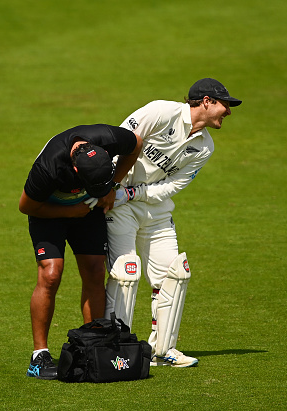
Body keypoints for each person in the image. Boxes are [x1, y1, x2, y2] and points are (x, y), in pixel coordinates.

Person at [104, 78, 242, 367]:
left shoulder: (205, 147)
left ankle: (162, 349)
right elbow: (120, 143)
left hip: (155, 211)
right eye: (224, 105)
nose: (228, 112)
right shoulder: (160, 112)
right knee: (126, 274)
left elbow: (174, 185)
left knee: (174, 276)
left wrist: (133, 194)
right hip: (119, 205)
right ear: (206, 101)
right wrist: (110, 189)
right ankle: (117, 350)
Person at [19, 124, 142, 380]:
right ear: (75, 170)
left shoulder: (107, 138)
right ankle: (38, 357)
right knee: (51, 274)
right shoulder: (50, 166)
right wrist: (69, 212)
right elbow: (27, 207)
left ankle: (92, 344)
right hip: (49, 212)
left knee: (96, 271)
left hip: (87, 210)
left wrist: (111, 187)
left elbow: (136, 144)